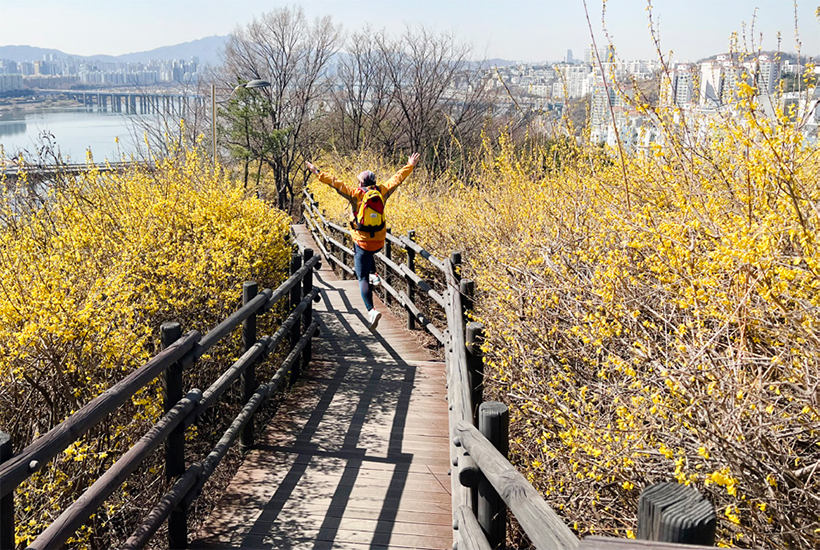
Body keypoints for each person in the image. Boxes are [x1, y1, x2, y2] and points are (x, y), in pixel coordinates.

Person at [305, 153, 421, 330]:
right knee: (370, 255)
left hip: (362, 241)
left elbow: (335, 182)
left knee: (361, 277)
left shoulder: (356, 194)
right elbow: (397, 179)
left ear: (360, 183)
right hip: (379, 241)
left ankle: (371, 309)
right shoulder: (382, 191)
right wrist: (410, 165)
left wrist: (316, 171)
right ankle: (374, 274)